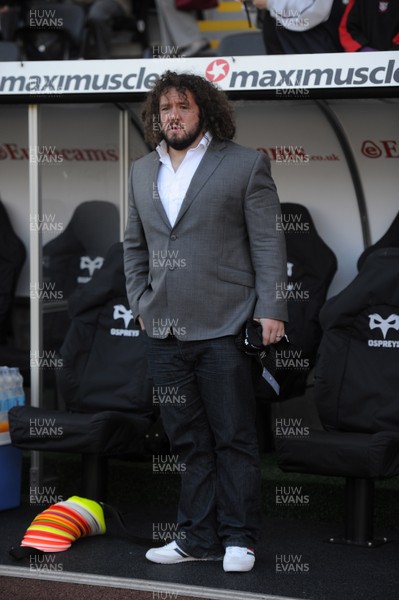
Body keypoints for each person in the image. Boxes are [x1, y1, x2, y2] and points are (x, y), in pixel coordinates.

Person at [123, 70, 287, 573]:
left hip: (225, 324)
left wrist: (272, 308)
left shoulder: (244, 165)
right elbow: (134, 245)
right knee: (188, 440)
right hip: (165, 329)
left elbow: (269, 242)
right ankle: (197, 537)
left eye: (183, 107)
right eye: (164, 109)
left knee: (233, 435)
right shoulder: (138, 171)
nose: (172, 116)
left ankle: (240, 538)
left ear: (205, 112)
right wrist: (140, 303)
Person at [252, 0, 345, 54]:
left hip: (312, 32)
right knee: (280, 83)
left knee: (315, 82)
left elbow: (314, 10)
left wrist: (271, 3)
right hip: (276, 24)